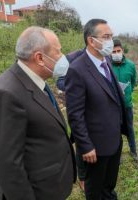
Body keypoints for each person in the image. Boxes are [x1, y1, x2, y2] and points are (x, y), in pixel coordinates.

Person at [0, 26, 76, 200]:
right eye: (58, 52)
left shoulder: (36, 81)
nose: (63, 58)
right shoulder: (5, 94)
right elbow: (7, 165)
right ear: (40, 58)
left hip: (52, 186)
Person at [65, 19, 128, 200]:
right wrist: (85, 146)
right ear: (91, 40)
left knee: (109, 184)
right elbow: (75, 114)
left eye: (112, 36)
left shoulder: (106, 60)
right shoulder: (77, 70)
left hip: (114, 139)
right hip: (95, 147)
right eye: (106, 37)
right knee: (95, 190)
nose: (111, 41)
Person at [56, 49, 86, 191]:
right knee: (81, 143)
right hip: (78, 110)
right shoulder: (72, 58)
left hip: (97, 111)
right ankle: (82, 177)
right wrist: (78, 85)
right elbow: (60, 81)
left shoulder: (105, 58)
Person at [111, 39, 138, 161]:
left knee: (129, 128)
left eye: (118, 51)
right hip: (112, 105)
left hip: (127, 104)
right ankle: (117, 153)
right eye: (114, 51)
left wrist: (126, 93)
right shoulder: (107, 65)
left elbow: (133, 82)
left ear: (122, 51)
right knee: (115, 130)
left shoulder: (131, 65)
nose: (116, 53)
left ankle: (134, 151)